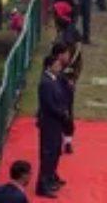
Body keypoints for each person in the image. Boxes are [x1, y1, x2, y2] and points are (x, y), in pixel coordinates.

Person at [35, 53, 70, 197]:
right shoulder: (46, 83)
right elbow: (48, 104)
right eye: (56, 65)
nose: (59, 67)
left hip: (56, 122)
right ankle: (42, 185)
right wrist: (62, 113)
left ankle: (49, 179)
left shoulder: (55, 80)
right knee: (48, 153)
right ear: (49, 66)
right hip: (49, 123)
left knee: (55, 151)